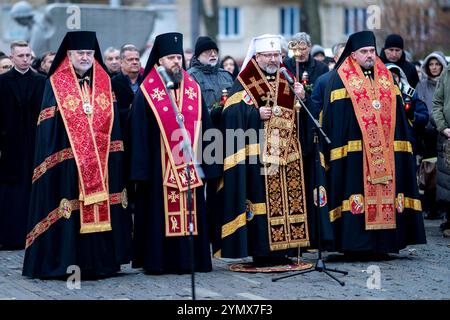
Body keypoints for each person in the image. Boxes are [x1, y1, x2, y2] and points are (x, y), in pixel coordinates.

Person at [22, 31, 132, 278]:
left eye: (89, 54)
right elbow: (49, 131)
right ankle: (68, 262)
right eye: (80, 53)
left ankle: (101, 263)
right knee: (71, 210)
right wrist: (63, 157)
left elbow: (113, 126)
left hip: (102, 162)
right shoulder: (56, 83)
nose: (85, 57)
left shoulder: (105, 81)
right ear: (69, 56)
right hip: (69, 164)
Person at [215, 34, 331, 266]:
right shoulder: (246, 80)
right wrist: (254, 115)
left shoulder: (286, 79)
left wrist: (303, 97)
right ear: (257, 57)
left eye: (276, 55)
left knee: (290, 201)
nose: (272, 59)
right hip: (260, 157)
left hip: (289, 156)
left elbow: (306, 115)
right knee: (263, 204)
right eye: (267, 55)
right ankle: (263, 252)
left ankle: (288, 248)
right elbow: (229, 113)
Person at [321, 30, 426, 258]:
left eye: (372, 51)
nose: (370, 55)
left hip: (385, 153)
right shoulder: (340, 78)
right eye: (364, 52)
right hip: (355, 155)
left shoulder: (386, 77)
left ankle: (383, 245)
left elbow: (398, 115)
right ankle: (355, 246)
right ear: (353, 54)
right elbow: (335, 120)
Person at [126, 32, 220, 274]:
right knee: (158, 215)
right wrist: (141, 171)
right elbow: (137, 133)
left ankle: (191, 260)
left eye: (178, 57)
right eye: (170, 58)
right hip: (158, 170)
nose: (176, 62)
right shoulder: (147, 91)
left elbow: (206, 126)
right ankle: (160, 261)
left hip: (191, 167)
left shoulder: (193, 88)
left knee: (192, 212)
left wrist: (211, 165)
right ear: (159, 62)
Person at [0, 40, 46, 250]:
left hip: (35, 142)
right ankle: (12, 236)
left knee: (34, 186)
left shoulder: (42, 82)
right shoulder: (2, 82)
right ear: (11, 57)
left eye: (28, 55)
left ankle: (36, 234)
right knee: (12, 191)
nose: (26, 59)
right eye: (21, 56)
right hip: (10, 144)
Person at [415, 52, 447, 220]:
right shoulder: (421, 85)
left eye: (437, 64)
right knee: (428, 171)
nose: (434, 67)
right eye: (431, 64)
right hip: (427, 134)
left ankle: (443, 207)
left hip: (444, 133)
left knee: (444, 173)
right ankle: (430, 206)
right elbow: (420, 107)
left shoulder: (446, 83)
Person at [188, 36, 233, 115]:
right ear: (198, 56)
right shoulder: (191, 77)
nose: (213, 54)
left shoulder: (226, 75)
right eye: (208, 51)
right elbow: (191, 107)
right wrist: (212, 113)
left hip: (226, 123)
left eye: (215, 51)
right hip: (205, 124)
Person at [432, 63, 450, 237]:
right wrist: (443, 127)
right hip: (447, 135)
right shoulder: (447, 74)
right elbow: (437, 103)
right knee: (447, 181)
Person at [111, 44, 143, 132]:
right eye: (130, 59)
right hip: (123, 132)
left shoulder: (146, 82)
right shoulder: (112, 83)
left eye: (137, 59)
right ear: (121, 62)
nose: (135, 62)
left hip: (144, 131)